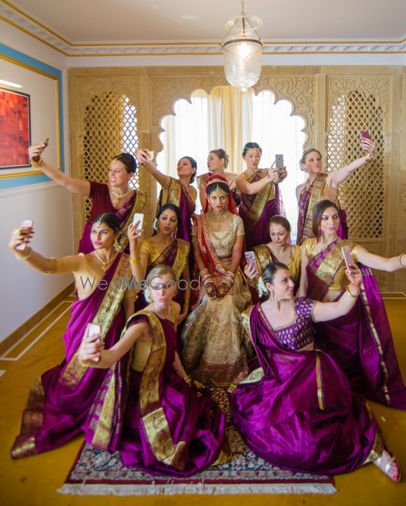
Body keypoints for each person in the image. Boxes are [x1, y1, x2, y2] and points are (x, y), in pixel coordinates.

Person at [231, 262, 401, 482]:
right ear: (269, 286)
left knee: (315, 433)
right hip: (279, 379)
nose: (292, 284)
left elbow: (338, 309)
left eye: (291, 279)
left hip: (312, 376)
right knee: (261, 424)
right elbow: (261, 354)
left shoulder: (302, 307)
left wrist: (354, 287)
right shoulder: (254, 316)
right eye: (284, 281)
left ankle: (376, 454)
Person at [9, 213, 136, 458]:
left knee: (108, 377)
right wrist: (22, 251)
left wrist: (126, 330)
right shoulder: (82, 261)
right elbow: (49, 266)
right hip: (84, 332)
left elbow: (129, 301)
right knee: (75, 388)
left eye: (104, 232)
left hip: (114, 331)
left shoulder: (126, 262)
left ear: (116, 234)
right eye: (93, 232)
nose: (97, 237)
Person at [79, 265, 226, 477]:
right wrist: (88, 357)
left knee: (189, 403)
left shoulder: (173, 309)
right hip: (144, 387)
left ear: (176, 289)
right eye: (156, 287)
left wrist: (184, 377)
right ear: (148, 290)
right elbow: (112, 356)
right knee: (177, 418)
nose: (162, 293)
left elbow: (172, 349)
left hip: (166, 377)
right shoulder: (141, 323)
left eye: (167, 286)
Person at [298, 199, 406, 410]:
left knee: (343, 372)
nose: (331, 222)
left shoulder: (349, 248)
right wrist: (299, 312)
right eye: (325, 218)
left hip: (343, 319)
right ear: (317, 221)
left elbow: (386, 264)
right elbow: (303, 285)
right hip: (316, 314)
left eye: (334, 217)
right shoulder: (307, 246)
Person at [181, 175, 253, 387]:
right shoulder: (199, 222)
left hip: (231, 270)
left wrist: (228, 278)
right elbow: (197, 252)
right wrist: (207, 278)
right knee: (210, 302)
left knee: (229, 304)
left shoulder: (236, 220)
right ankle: (202, 362)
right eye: (214, 197)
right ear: (208, 199)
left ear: (228, 198)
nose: (219, 201)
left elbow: (238, 252)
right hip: (207, 271)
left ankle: (231, 365)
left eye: (223, 197)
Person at [28, 141, 145, 253]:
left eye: (117, 171)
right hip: (92, 249)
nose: (111, 174)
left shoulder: (137, 199)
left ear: (131, 175)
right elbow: (65, 181)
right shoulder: (98, 190)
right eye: (110, 170)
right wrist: (39, 162)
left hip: (119, 253)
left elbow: (135, 232)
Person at [296, 136, 376, 244]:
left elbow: (348, 168)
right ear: (303, 165)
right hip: (308, 239)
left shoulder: (330, 179)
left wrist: (368, 156)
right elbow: (301, 219)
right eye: (311, 160)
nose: (317, 162)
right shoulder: (300, 189)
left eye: (319, 159)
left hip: (329, 235)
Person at [128, 203, 191, 317]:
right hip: (151, 300)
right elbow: (139, 278)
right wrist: (133, 247)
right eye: (164, 218)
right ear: (157, 221)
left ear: (177, 225)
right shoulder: (147, 244)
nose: (167, 222)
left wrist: (185, 309)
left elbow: (186, 280)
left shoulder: (183, 246)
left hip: (174, 301)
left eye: (173, 220)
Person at [137, 149, 197, 244]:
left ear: (193, 170)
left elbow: (187, 212)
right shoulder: (170, 183)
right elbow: (155, 172)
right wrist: (144, 158)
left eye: (184, 164)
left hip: (186, 234)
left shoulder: (194, 191)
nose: (180, 166)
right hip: (169, 233)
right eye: (178, 164)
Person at [236, 142, 287, 249]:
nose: (254, 159)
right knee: (252, 248)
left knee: (272, 246)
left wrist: (281, 175)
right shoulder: (240, 178)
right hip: (250, 218)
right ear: (243, 157)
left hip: (269, 213)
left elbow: (277, 180)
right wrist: (268, 178)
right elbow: (249, 189)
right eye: (250, 156)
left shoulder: (266, 172)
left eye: (257, 155)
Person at [243, 216, 302, 292]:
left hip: (293, 295)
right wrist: (250, 278)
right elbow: (258, 286)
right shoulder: (260, 253)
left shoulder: (297, 251)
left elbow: (303, 280)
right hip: (270, 298)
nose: (276, 238)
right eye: (273, 234)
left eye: (280, 234)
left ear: (289, 232)